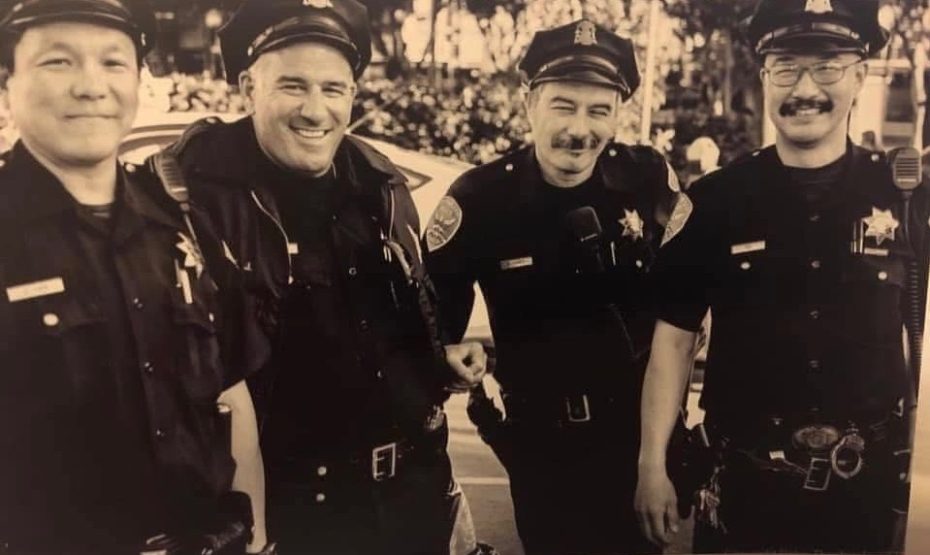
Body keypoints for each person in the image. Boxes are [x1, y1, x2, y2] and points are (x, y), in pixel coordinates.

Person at [157, 0, 493, 553]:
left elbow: (384, 330)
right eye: (293, 86)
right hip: (287, 516)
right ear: (248, 87)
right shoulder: (194, 197)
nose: (317, 110)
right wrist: (249, 530)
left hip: (410, 500)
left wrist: (438, 362)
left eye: (334, 89)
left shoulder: (378, 183)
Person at [635, 0, 928, 552]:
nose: (805, 89)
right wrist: (652, 464)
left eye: (827, 67)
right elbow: (672, 342)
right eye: (787, 68)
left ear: (860, 77)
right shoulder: (715, 201)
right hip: (746, 492)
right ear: (764, 78)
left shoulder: (904, 198)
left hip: (865, 496)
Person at [0, 1, 269, 553]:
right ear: (8, 83)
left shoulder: (182, 225)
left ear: (140, 82)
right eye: (58, 62)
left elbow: (232, 394)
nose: (91, 86)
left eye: (113, 63)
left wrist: (259, 542)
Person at [424, 19, 683, 555]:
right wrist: (454, 355)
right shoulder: (481, 199)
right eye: (564, 106)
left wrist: (658, 456)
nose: (579, 129)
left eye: (599, 111)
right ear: (529, 105)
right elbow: (435, 322)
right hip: (542, 448)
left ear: (618, 114)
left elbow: (686, 306)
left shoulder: (646, 180)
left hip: (638, 439)